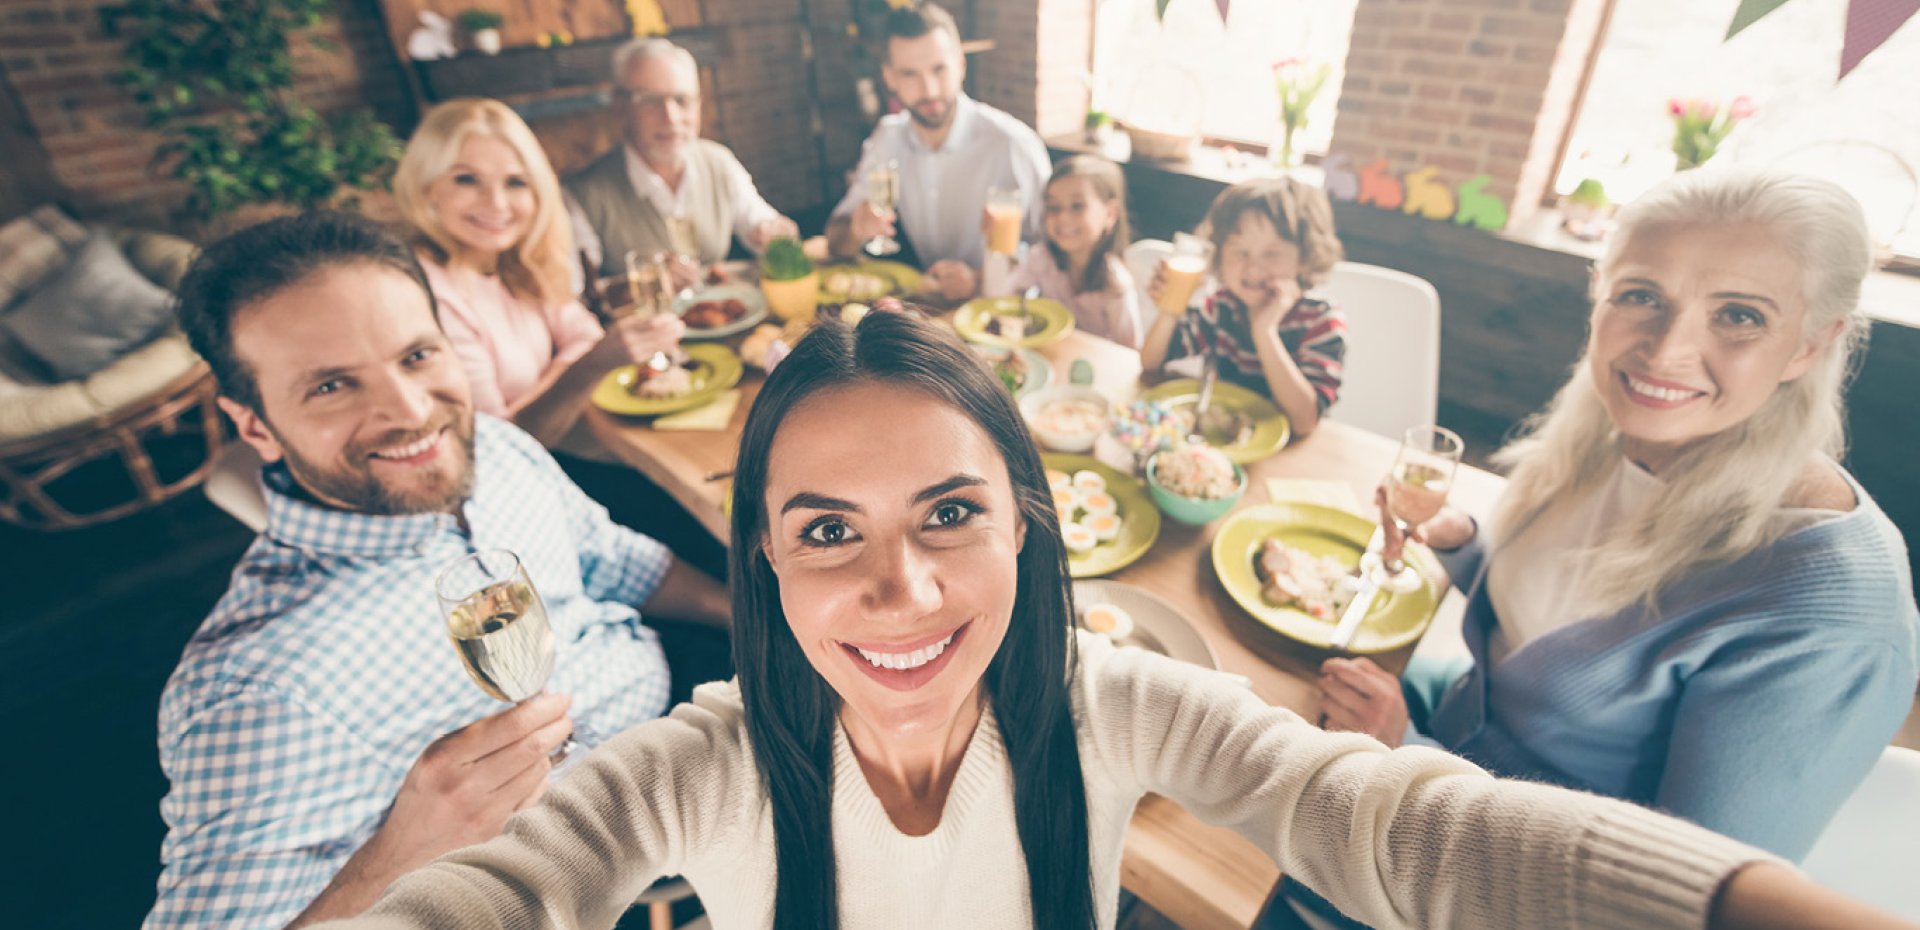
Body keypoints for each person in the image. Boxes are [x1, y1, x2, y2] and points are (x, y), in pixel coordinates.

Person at [313, 311, 1916, 930]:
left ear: (1026, 519)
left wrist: (1743, 908)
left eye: (952, 512)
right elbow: (498, 896)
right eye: (825, 534)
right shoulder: (696, 758)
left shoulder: (1112, 699)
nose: (905, 590)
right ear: (768, 570)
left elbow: (1395, 819)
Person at [1281, 170, 1920, 929]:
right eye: (1642, 294)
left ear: (1813, 343)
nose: (1666, 350)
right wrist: (1459, 540)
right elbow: (1558, 611)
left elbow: (1663, 899)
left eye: (1740, 315)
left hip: (1488, 882)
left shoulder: (1833, 616)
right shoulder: (1612, 432)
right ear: (1600, 292)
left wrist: (1406, 750)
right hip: (1438, 747)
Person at [146, 211, 732, 930]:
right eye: (332, 386)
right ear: (255, 425)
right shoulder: (257, 686)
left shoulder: (493, 449)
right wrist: (399, 854)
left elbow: (612, 560)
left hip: (678, 695)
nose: (413, 411)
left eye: (418, 355)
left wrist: (747, 612)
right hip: (622, 861)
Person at [394, 97, 727, 579]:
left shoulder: (513, 261)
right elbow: (494, 456)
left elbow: (584, 333)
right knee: (705, 523)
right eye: (466, 179)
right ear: (427, 188)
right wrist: (587, 366)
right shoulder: (432, 297)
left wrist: (570, 367)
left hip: (570, 451)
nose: (498, 203)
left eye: (515, 183)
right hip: (512, 504)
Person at [824, 2, 1050, 301]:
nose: (929, 90)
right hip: (932, 309)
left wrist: (978, 279)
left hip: (1006, 310)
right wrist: (856, 228)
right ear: (890, 78)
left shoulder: (1013, 143)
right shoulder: (887, 138)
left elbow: (1058, 255)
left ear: (960, 65)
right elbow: (835, 240)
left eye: (939, 69)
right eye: (910, 74)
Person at [566, 38, 799, 283]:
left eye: (682, 100)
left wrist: (774, 233)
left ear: (698, 105)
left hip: (726, 316)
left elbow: (759, 221)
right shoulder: (582, 194)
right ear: (620, 109)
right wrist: (644, 281)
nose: (671, 118)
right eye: (650, 101)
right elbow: (574, 291)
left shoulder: (719, 162)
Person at [1140, 177, 1347, 437]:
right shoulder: (1222, 305)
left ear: (1305, 258)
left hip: (1289, 455)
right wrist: (1171, 305)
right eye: (1239, 252)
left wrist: (1265, 332)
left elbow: (1305, 421)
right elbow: (1150, 363)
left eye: (1271, 254)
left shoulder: (1321, 321)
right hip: (1223, 439)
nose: (1253, 269)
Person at [990, 154, 1144, 348]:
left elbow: (1130, 352)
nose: (1062, 217)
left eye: (1077, 206)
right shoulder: (1042, 258)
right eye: (1053, 207)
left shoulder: (1116, 285)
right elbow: (1002, 297)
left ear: (1110, 213)